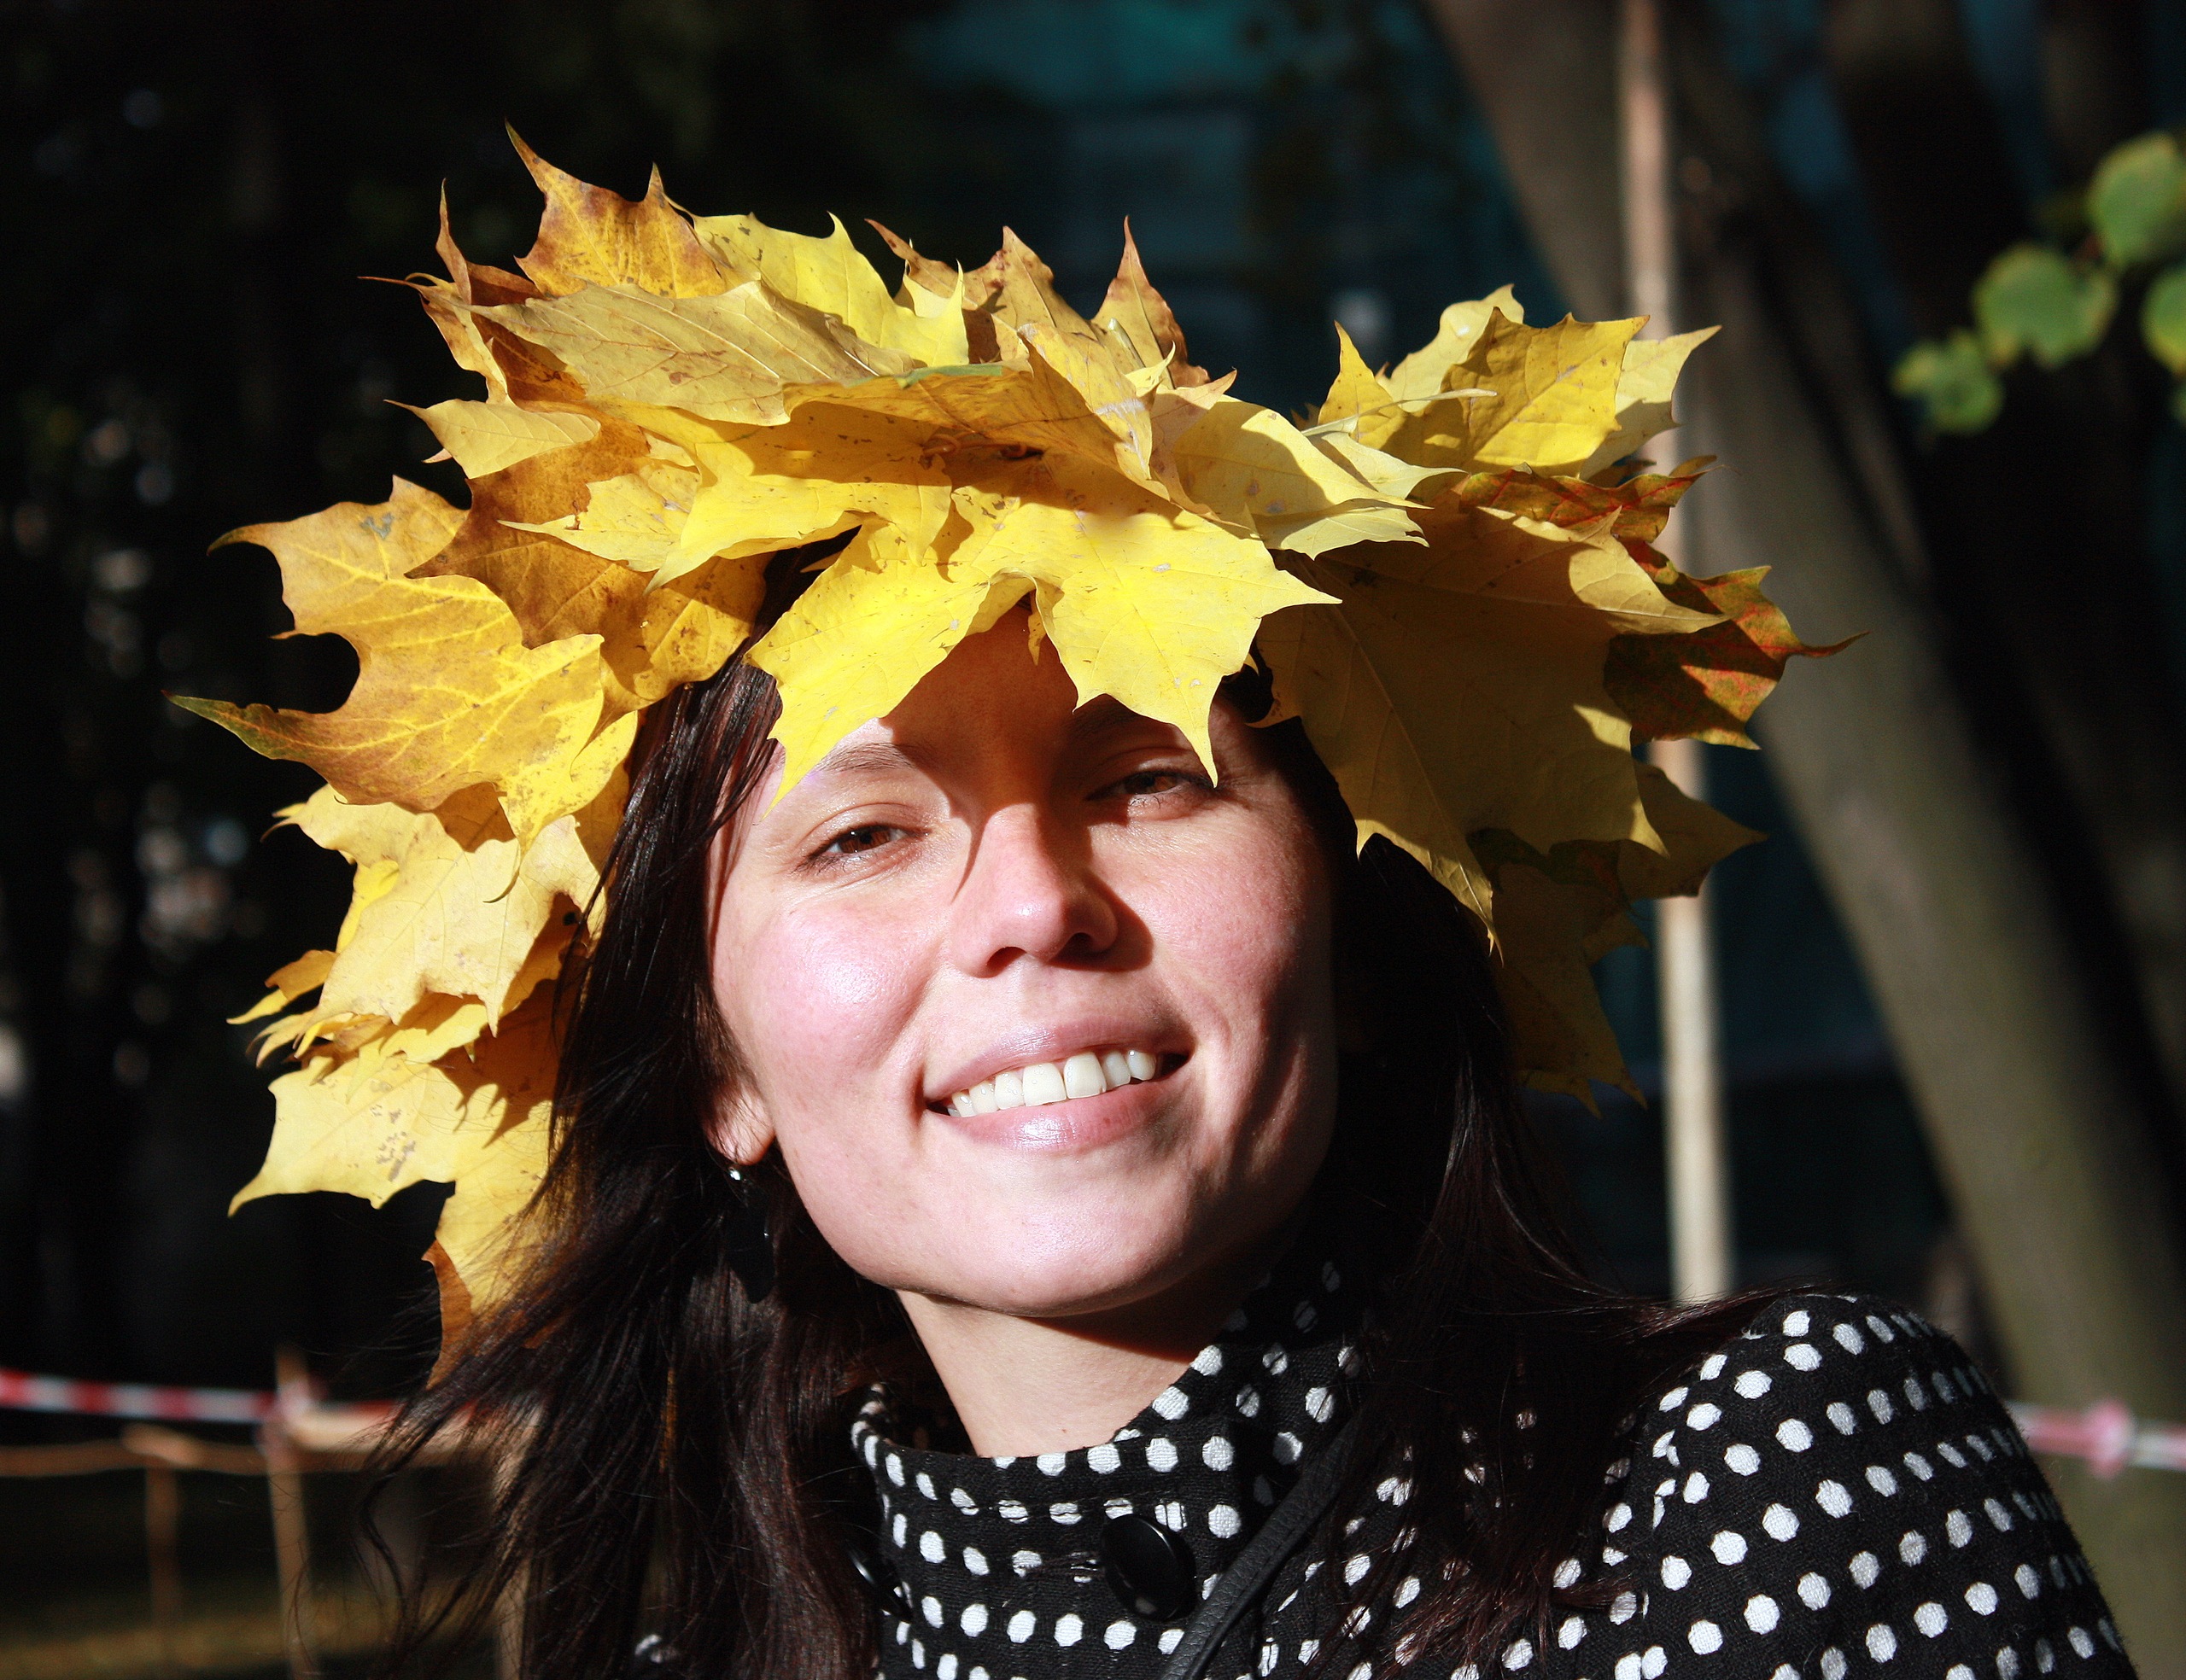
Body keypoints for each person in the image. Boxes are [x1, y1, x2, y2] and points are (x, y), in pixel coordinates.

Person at [192, 149, 2133, 1680]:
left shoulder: (1756, 1494)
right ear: (714, 1069)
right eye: (862, 837)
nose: (1033, 908)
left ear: (1359, 927)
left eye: (1147, 779)